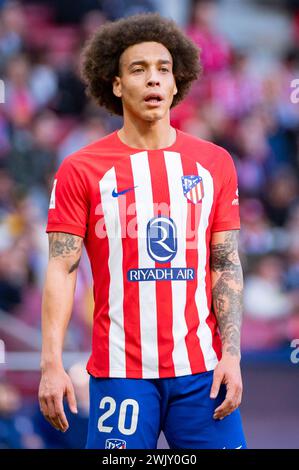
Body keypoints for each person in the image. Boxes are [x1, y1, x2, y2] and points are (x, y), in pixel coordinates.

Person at [38, 12, 247, 449]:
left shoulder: (215, 163)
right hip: (120, 374)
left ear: (176, 84)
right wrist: (51, 363)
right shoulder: (81, 169)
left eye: (163, 70)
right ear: (115, 85)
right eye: (138, 69)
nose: (153, 80)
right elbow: (62, 267)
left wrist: (232, 354)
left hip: (202, 373)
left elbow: (225, 262)